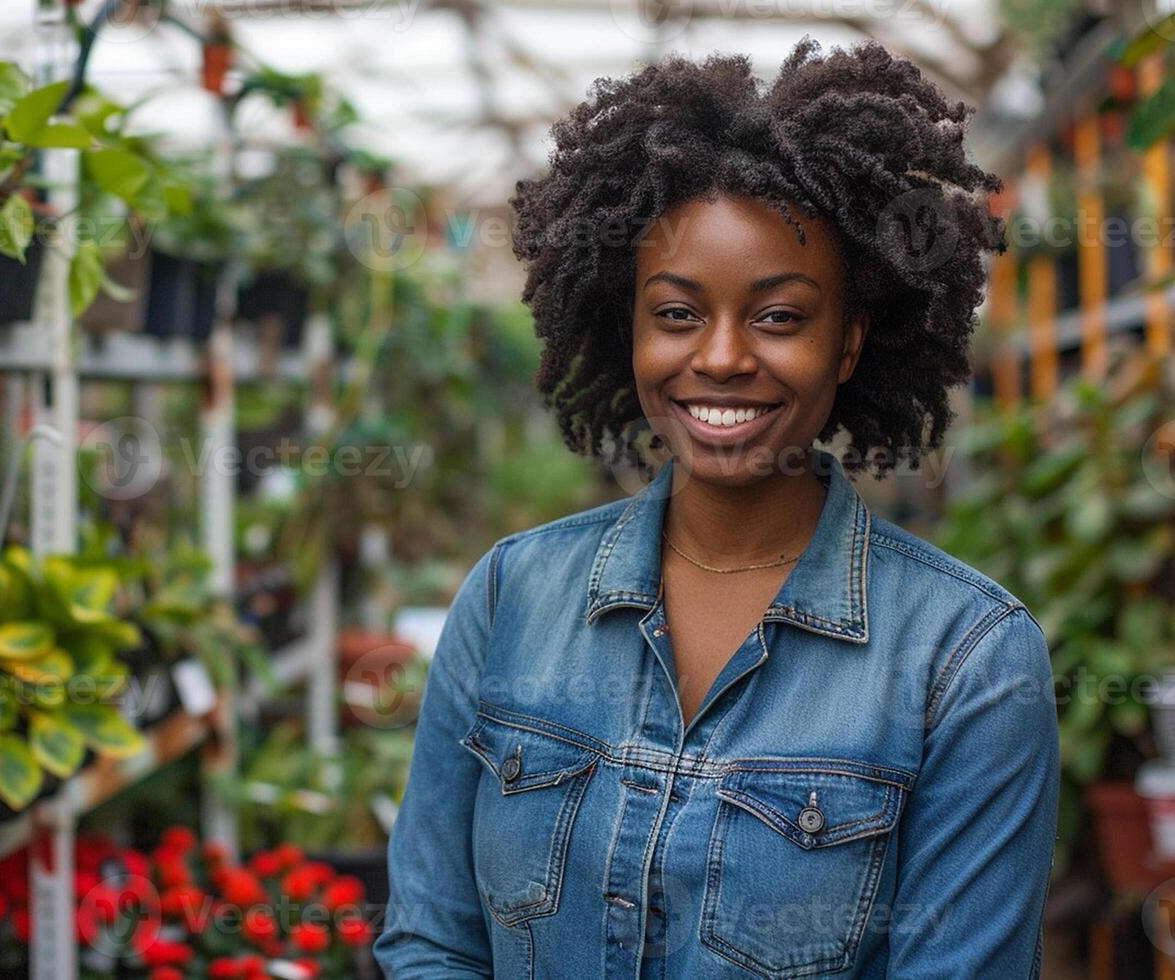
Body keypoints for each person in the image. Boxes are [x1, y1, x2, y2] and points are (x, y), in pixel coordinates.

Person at [373, 35, 1058, 980]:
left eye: (779, 316)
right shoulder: (508, 599)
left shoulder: (965, 660)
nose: (724, 356)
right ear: (629, 329)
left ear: (851, 341)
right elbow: (432, 938)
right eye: (678, 312)